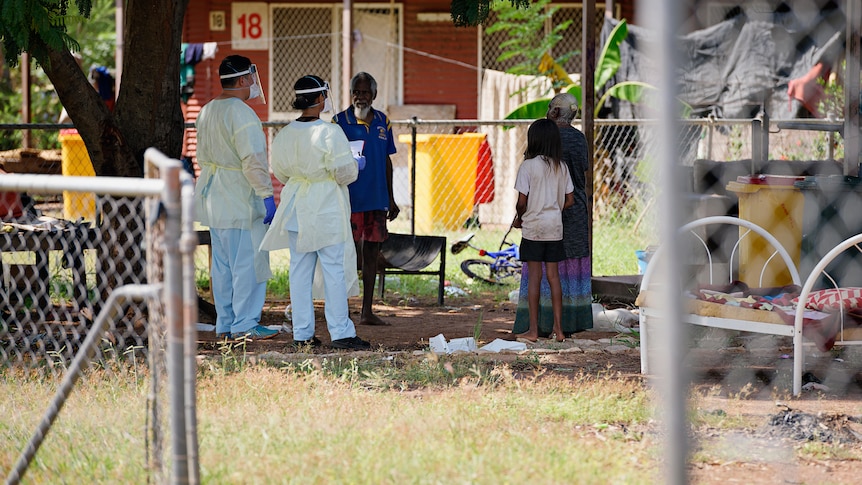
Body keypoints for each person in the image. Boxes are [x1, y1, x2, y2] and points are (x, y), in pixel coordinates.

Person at [260, 75, 371, 350]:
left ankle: (302, 334)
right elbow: (344, 172)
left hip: (296, 205)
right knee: (333, 269)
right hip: (325, 207)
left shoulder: (284, 133)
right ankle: (341, 332)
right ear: (321, 98)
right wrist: (357, 164)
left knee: (299, 271)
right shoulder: (330, 132)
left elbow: (282, 172)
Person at [193, 55, 277, 341]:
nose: (254, 83)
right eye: (251, 78)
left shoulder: (206, 111)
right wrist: (266, 195)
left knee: (223, 266)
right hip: (240, 198)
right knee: (247, 266)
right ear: (242, 80)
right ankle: (245, 324)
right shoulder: (241, 113)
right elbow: (253, 160)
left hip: (214, 200)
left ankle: (225, 324)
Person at [513, 94, 593, 339]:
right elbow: (580, 178)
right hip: (573, 210)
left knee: (537, 273)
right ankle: (567, 323)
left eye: (550, 108)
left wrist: (522, 214)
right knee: (564, 269)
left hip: (538, 218)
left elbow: (524, 197)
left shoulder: (539, 148)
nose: (548, 111)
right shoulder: (580, 139)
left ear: (555, 113)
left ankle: (537, 326)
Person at [332, 72, 399, 326]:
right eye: (356, 92)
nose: (360, 97)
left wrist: (391, 198)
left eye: (365, 92)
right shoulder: (339, 122)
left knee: (372, 254)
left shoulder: (384, 122)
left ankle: (367, 311)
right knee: (346, 256)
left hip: (376, 200)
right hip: (348, 200)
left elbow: (386, 160)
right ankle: (343, 311)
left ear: (374, 95)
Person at [512, 118, 575, 343]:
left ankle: (533, 330)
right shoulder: (562, 166)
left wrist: (520, 218)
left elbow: (522, 202)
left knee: (535, 278)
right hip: (554, 228)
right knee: (554, 277)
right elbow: (570, 200)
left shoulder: (528, 166)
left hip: (534, 229)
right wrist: (553, 209)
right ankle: (559, 330)